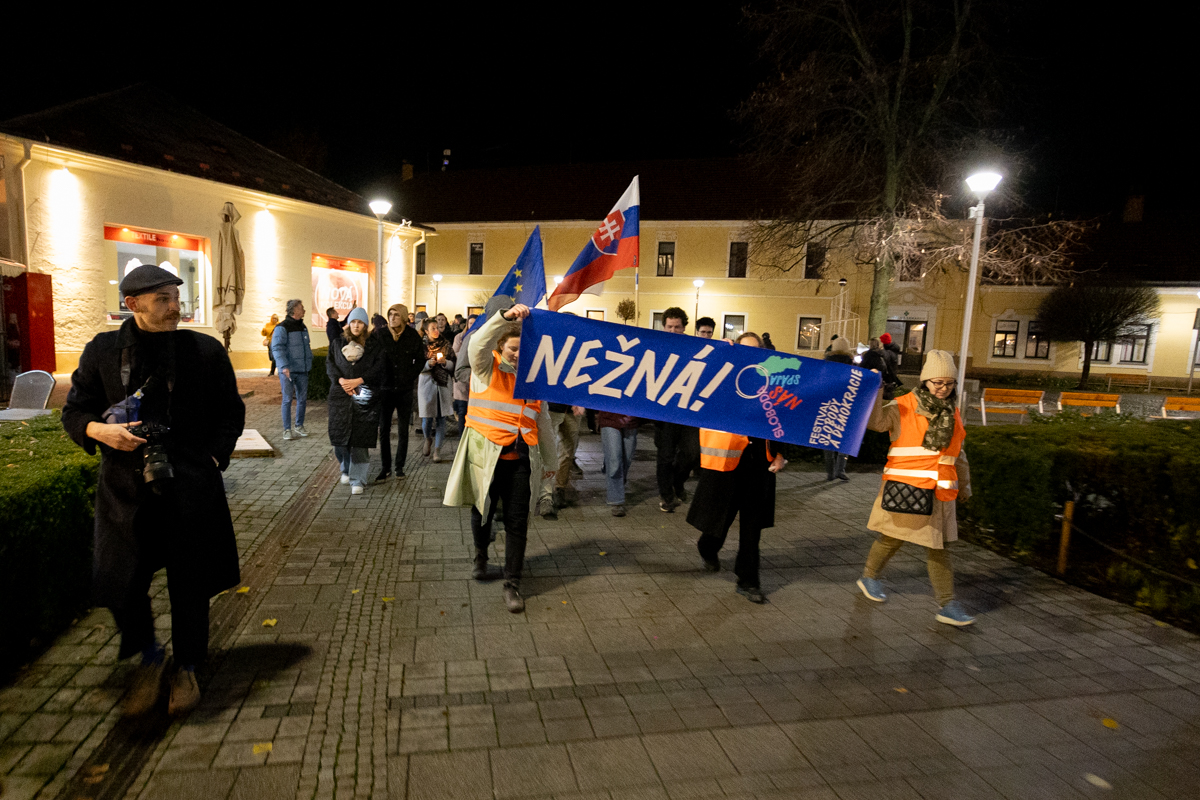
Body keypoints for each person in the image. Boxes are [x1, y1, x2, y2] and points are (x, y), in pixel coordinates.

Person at [61, 264, 244, 716]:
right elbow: (75, 410)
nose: (175, 307)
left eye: (176, 297)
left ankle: (187, 666)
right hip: (125, 490)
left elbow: (231, 412)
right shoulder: (104, 350)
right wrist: (101, 432)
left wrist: (212, 459)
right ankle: (148, 656)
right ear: (133, 304)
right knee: (120, 580)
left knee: (190, 581)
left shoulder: (203, 350)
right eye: (163, 299)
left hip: (189, 486)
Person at [443, 303, 556, 613]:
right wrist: (503, 318)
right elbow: (477, 344)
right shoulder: (485, 368)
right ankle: (481, 558)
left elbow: (543, 423)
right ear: (500, 346)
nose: (517, 354)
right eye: (512, 348)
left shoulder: (534, 379)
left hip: (520, 461)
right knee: (483, 511)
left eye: (522, 349)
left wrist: (551, 463)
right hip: (486, 456)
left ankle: (512, 583)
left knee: (518, 522)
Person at [855, 350, 975, 626]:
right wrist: (876, 390)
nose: (944, 388)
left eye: (949, 383)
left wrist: (965, 486)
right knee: (892, 538)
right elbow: (875, 422)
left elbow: (958, 454)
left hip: (938, 494)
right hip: (907, 490)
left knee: (935, 546)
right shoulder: (903, 405)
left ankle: (946, 603)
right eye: (938, 382)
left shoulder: (953, 413)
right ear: (925, 381)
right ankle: (870, 577)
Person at [688, 331, 787, 604]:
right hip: (727, 464)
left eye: (755, 350)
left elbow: (782, 422)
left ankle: (748, 581)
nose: (749, 355)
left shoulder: (771, 384)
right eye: (743, 350)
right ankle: (707, 547)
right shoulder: (722, 377)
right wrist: (720, 357)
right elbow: (700, 385)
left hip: (759, 466)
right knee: (720, 518)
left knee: (752, 529)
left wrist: (780, 454)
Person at [326, 307, 384, 495]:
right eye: (353, 322)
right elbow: (330, 364)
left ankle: (358, 478)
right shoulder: (337, 343)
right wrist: (341, 381)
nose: (356, 325)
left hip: (363, 395)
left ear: (365, 325)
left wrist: (359, 380)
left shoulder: (373, 345)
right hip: (340, 396)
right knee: (339, 438)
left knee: (360, 439)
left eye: (360, 322)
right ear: (348, 324)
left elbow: (379, 367)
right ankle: (345, 467)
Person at [654, 307, 700, 512]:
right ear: (664, 327)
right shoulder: (656, 347)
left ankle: (677, 483)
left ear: (684, 328)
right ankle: (666, 496)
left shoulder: (695, 347)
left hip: (688, 413)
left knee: (692, 453)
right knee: (665, 456)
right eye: (669, 327)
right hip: (664, 413)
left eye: (677, 327)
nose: (673, 330)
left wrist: (727, 345)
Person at [372, 303, 424, 481]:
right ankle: (385, 467)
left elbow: (420, 359)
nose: (392, 318)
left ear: (403, 317)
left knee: (403, 430)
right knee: (384, 429)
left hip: (404, 390)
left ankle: (399, 466)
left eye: (396, 315)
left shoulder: (412, 336)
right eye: (390, 315)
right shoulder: (380, 334)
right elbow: (372, 357)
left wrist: (409, 376)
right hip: (385, 388)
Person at [271, 299, 312, 440]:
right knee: (287, 399)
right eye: (301, 307)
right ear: (294, 310)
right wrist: (283, 366)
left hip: (302, 370)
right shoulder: (282, 327)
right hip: (288, 370)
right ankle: (287, 429)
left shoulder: (303, 327)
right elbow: (277, 348)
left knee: (302, 399)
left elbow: (306, 347)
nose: (304, 310)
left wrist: (308, 362)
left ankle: (299, 425)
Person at [419, 317, 456, 462]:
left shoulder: (446, 344)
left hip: (443, 384)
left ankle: (437, 451)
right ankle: (427, 438)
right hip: (427, 384)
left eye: (437, 328)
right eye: (432, 328)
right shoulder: (421, 346)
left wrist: (445, 362)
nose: (436, 331)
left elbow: (453, 363)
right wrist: (428, 364)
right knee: (427, 418)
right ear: (426, 331)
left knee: (442, 419)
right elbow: (415, 366)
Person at [823, 337, 854, 481]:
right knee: (845, 439)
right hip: (847, 404)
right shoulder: (852, 364)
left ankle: (830, 472)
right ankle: (840, 469)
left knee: (827, 439)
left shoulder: (826, 363)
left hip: (829, 403)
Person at [599, 410, 639, 516]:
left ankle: (611, 468)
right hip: (609, 418)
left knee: (627, 458)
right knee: (615, 460)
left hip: (631, 420)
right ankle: (616, 501)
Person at [451, 314, 478, 435]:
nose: (473, 325)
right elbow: (455, 353)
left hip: (475, 380)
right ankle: (462, 436)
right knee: (462, 410)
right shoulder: (460, 337)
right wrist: (466, 352)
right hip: (463, 378)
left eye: (475, 323)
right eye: (471, 323)